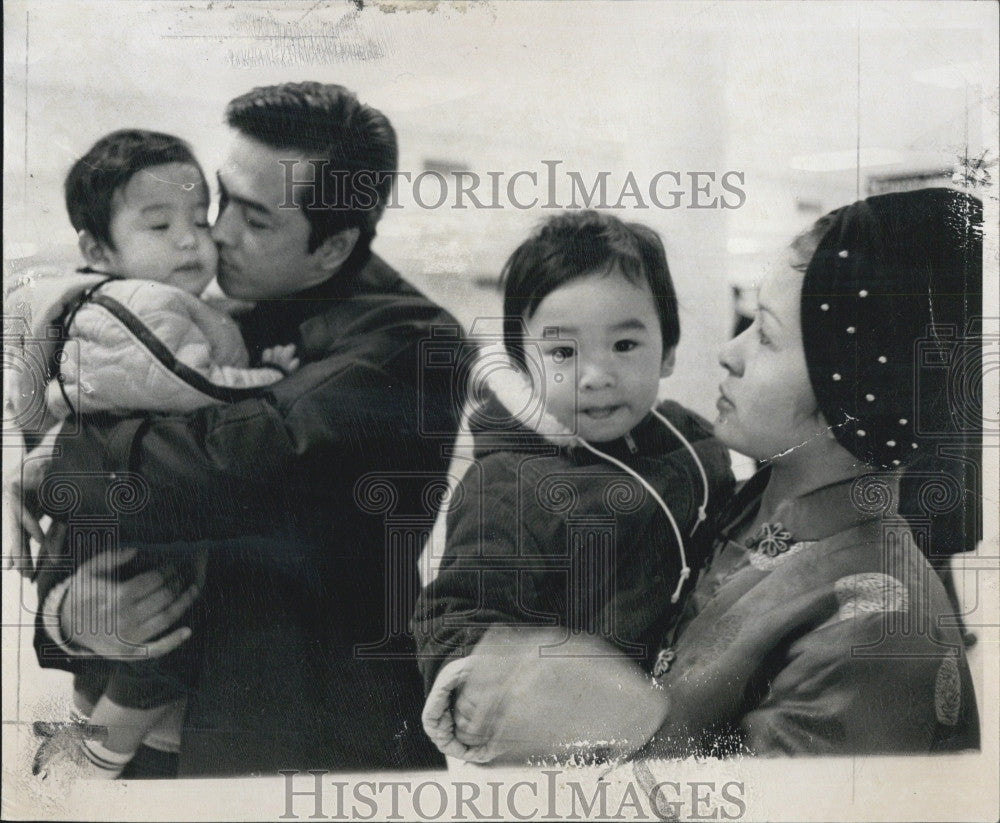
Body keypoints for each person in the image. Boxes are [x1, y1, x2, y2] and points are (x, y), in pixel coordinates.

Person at [424, 187, 981, 762]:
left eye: (763, 334)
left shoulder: (876, 631)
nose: (728, 353)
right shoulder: (748, 501)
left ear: (852, 385)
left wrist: (615, 721)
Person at [26, 82, 465, 775]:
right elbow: (106, 513)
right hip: (166, 752)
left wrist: (52, 456)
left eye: (255, 220)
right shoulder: (221, 307)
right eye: (222, 200)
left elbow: (219, 472)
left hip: (305, 763)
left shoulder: (407, 344)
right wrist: (68, 619)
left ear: (333, 248)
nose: (217, 232)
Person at [5, 128, 307, 779]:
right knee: (154, 602)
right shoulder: (124, 315)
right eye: (159, 224)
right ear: (97, 248)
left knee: (149, 606)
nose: (189, 239)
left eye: (199, 219)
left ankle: (97, 738)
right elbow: (181, 390)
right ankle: (101, 745)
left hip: (142, 545)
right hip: (136, 522)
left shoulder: (176, 312)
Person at [414, 211, 734, 757]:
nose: (597, 375)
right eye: (563, 353)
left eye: (625, 346)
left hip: (685, 723)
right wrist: (487, 679)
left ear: (670, 349)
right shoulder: (507, 486)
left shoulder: (692, 443)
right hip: (565, 747)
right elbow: (457, 616)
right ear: (523, 361)